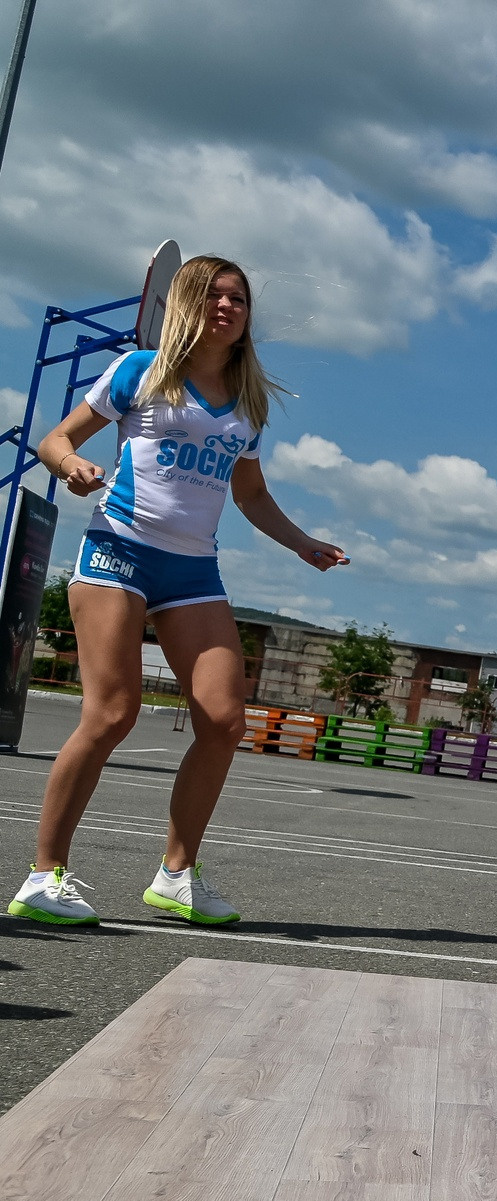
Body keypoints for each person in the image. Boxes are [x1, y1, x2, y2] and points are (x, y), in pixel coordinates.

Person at [11, 257, 345, 929]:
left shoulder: (247, 403)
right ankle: (44, 875)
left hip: (193, 572)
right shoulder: (141, 369)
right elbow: (55, 439)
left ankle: (176, 875)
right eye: (215, 295)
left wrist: (303, 543)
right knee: (111, 715)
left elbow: (249, 493)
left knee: (224, 721)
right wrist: (72, 464)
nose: (228, 306)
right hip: (117, 553)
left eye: (239, 298)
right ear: (189, 303)